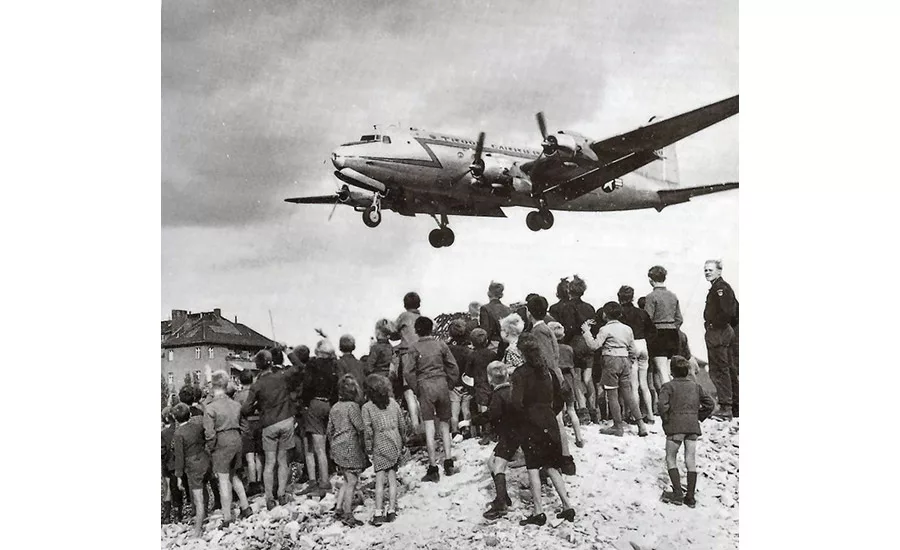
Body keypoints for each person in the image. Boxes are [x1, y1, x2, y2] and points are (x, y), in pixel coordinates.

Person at [511, 334, 575, 526]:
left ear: (521, 352)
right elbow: (559, 398)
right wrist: (548, 412)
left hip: (531, 422)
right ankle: (567, 506)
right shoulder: (548, 371)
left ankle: (539, 511)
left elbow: (516, 403)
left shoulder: (520, 373)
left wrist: (522, 420)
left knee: (532, 467)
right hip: (549, 420)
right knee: (552, 465)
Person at [240, 349, 301, 510]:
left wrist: (257, 407)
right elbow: (300, 366)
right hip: (286, 420)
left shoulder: (257, 385)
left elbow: (245, 409)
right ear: (271, 362)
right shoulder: (282, 377)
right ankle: (281, 493)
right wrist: (287, 350)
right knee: (283, 461)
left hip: (269, 425)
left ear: (257, 366)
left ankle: (269, 497)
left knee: (270, 462)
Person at [525, 295, 576, 475]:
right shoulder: (546, 328)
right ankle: (565, 458)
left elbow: (545, 359)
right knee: (557, 419)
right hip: (555, 375)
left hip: (548, 378)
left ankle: (558, 460)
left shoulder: (538, 332)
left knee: (551, 420)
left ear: (528, 312)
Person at [405, 316, 460, 481]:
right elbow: (453, 366)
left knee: (429, 426)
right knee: (445, 424)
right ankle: (448, 462)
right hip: (441, 384)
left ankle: (433, 467)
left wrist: (417, 388)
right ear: (432, 329)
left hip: (425, 386)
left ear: (416, 331)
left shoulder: (413, 347)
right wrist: (449, 383)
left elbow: (408, 372)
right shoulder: (441, 344)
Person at [582, 302, 649, 437]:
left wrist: (586, 332)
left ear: (605, 315)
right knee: (628, 394)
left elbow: (594, 346)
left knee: (612, 395)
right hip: (625, 360)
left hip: (611, 360)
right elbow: (633, 349)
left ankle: (618, 426)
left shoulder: (604, 330)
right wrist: (629, 362)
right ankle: (641, 425)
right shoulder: (627, 329)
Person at [658, 356, 716, 507]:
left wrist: (666, 420)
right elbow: (710, 404)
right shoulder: (696, 387)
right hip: (692, 427)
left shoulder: (668, 386)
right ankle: (690, 497)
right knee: (690, 460)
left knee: (671, 458)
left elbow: (662, 406)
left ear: (671, 371)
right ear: (688, 371)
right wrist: (698, 417)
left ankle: (677, 493)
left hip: (675, 426)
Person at [470, 361, 519, 519]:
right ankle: (503, 496)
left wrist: (472, 421)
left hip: (508, 435)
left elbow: (491, 414)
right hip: (515, 432)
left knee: (498, 466)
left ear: (490, 378)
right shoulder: (513, 390)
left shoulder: (498, 395)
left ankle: (501, 504)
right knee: (491, 463)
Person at [203, 370, 252, 526]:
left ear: (213, 386)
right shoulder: (236, 404)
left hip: (221, 441)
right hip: (236, 439)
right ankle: (245, 507)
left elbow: (209, 433)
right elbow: (245, 426)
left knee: (223, 479)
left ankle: (227, 517)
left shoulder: (210, 408)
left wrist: (211, 448)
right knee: (233, 474)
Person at [362, 374, 410, 526]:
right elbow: (402, 424)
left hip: (380, 442)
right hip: (394, 439)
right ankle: (391, 510)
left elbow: (368, 431)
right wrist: (403, 441)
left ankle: (378, 512)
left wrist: (368, 449)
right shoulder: (394, 403)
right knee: (392, 478)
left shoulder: (367, 408)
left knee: (379, 480)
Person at [299, 337, 340, 498]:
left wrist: (306, 403)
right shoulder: (334, 365)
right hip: (329, 404)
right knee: (329, 443)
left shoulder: (313, 365)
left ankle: (323, 482)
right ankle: (331, 474)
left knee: (319, 448)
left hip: (315, 404)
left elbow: (307, 385)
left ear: (318, 351)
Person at [327, 375, 368, 527]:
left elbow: (329, 430)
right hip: (350, 446)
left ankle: (338, 508)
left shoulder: (335, 407)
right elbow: (360, 427)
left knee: (346, 478)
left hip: (336, 445)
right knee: (352, 481)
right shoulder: (353, 407)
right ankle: (347, 513)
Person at [703, 259, 739, 419]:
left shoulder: (721, 288)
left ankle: (726, 406)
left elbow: (728, 312)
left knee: (719, 369)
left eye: (710, 270)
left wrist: (713, 326)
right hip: (723, 330)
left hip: (719, 331)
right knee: (727, 367)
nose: (707, 272)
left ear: (719, 271)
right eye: (705, 270)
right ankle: (734, 406)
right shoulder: (719, 287)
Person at [617, 285, 657, 424]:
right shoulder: (642, 312)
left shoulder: (620, 313)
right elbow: (652, 331)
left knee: (634, 385)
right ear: (632, 297)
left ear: (619, 296)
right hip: (643, 344)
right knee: (644, 384)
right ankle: (651, 415)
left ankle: (635, 416)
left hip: (630, 345)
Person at [171, 402, 210, 538]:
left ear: (175, 418)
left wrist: (179, 477)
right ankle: (205, 515)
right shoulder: (197, 426)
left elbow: (179, 458)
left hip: (192, 464)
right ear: (190, 414)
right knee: (204, 490)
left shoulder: (178, 434)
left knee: (197, 497)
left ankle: (198, 530)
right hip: (205, 458)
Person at [644, 266, 683, 387]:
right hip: (672, 334)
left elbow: (647, 320)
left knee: (662, 372)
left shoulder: (651, 297)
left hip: (658, 334)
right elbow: (679, 319)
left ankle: (670, 401)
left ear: (651, 280)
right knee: (669, 370)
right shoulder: (673, 296)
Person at [392, 292, 423, 433]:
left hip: (407, 355)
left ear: (405, 304)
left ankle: (415, 425)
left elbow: (392, 332)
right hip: (421, 354)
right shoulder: (421, 318)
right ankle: (425, 425)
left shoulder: (404, 316)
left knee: (408, 389)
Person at [550, 322, 584, 448]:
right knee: (571, 409)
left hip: (557, 379)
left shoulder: (551, 350)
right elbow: (572, 366)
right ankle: (579, 437)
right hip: (569, 378)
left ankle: (561, 439)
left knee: (558, 412)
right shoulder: (569, 349)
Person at [233, 370, 263, 496]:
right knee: (259, 456)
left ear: (240, 381)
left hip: (246, 428)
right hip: (260, 425)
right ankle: (260, 481)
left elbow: (237, 414)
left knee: (250, 458)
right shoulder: (258, 393)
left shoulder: (238, 396)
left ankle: (252, 483)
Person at [465, 328, 495, 444]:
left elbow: (467, 372)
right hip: (491, 383)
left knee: (483, 410)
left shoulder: (472, 355)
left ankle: (486, 434)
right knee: (493, 407)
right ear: (486, 340)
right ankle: (493, 432)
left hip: (480, 384)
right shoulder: (492, 354)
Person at [446, 319, 473, 438]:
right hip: (466, 383)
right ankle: (467, 430)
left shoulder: (447, 350)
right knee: (466, 409)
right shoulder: (469, 351)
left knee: (454, 411)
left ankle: (455, 431)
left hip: (453, 384)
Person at [480, 281, 512, 352]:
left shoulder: (485, 308)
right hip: (507, 344)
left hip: (493, 346)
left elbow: (485, 331)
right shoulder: (508, 309)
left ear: (489, 293)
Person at [337, 335, 366, 401]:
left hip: (346, 399)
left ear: (340, 347)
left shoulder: (339, 363)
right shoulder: (360, 364)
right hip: (360, 398)